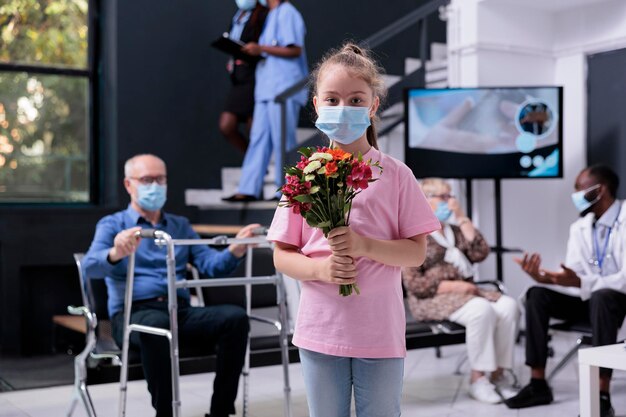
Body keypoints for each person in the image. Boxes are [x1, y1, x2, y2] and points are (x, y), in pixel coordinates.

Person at [267, 43, 440, 417]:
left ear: (374, 105)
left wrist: (364, 245)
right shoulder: (303, 176)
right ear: (316, 105)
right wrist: (319, 269)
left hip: (379, 332)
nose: (342, 109)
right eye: (331, 99)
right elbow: (282, 254)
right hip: (320, 330)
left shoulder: (396, 175)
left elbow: (416, 252)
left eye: (356, 99)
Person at [83, 154, 260, 417]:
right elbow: (90, 267)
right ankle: (165, 413)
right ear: (128, 185)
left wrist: (235, 249)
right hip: (133, 313)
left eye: (160, 179)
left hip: (179, 310)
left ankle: (221, 411)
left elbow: (211, 265)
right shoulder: (113, 225)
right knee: (156, 327)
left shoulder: (180, 225)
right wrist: (116, 252)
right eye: (146, 180)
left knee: (235, 318)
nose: (154, 185)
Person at [505, 164, 626, 417]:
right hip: (591, 301)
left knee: (602, 297)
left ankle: (601, 394)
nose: (576, 196)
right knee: (536, 294)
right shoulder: (579, 228)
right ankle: (538, 383)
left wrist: (583, 283)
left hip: (617, 303)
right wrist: (546, 277)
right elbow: (575, 277)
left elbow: (622, 280)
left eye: (580, 189)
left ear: (600, 190)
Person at [402, 178, 520, 404]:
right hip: (431, 298)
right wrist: (455, 285)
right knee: (480, 309)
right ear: (425, 201)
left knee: (509, 306)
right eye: (444, 198)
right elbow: (415, 285)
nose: (450, 202)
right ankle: (478, 379)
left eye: (451, 197)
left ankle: (498, 374)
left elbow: (480, 252)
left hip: (466, 293)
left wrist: (463, 218)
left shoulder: (455, 232)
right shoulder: (414, 234)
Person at [223, 0, 308, 202]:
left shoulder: (288, 12)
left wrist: (261, 49)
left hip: (283, 87)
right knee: (258, 139)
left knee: (283, 141)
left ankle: (288, 188)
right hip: (266, 89)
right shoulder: (269, 15)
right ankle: (248, 188)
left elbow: (295, 49)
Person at [219, 0, 268, 153]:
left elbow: (265, 47)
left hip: (253, 75)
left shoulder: (262, 15)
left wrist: (253, 51)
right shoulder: (239, 15)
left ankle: (258, 162)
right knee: (229, 126)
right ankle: (253, 160)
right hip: (238, 77)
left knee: (251, 125)